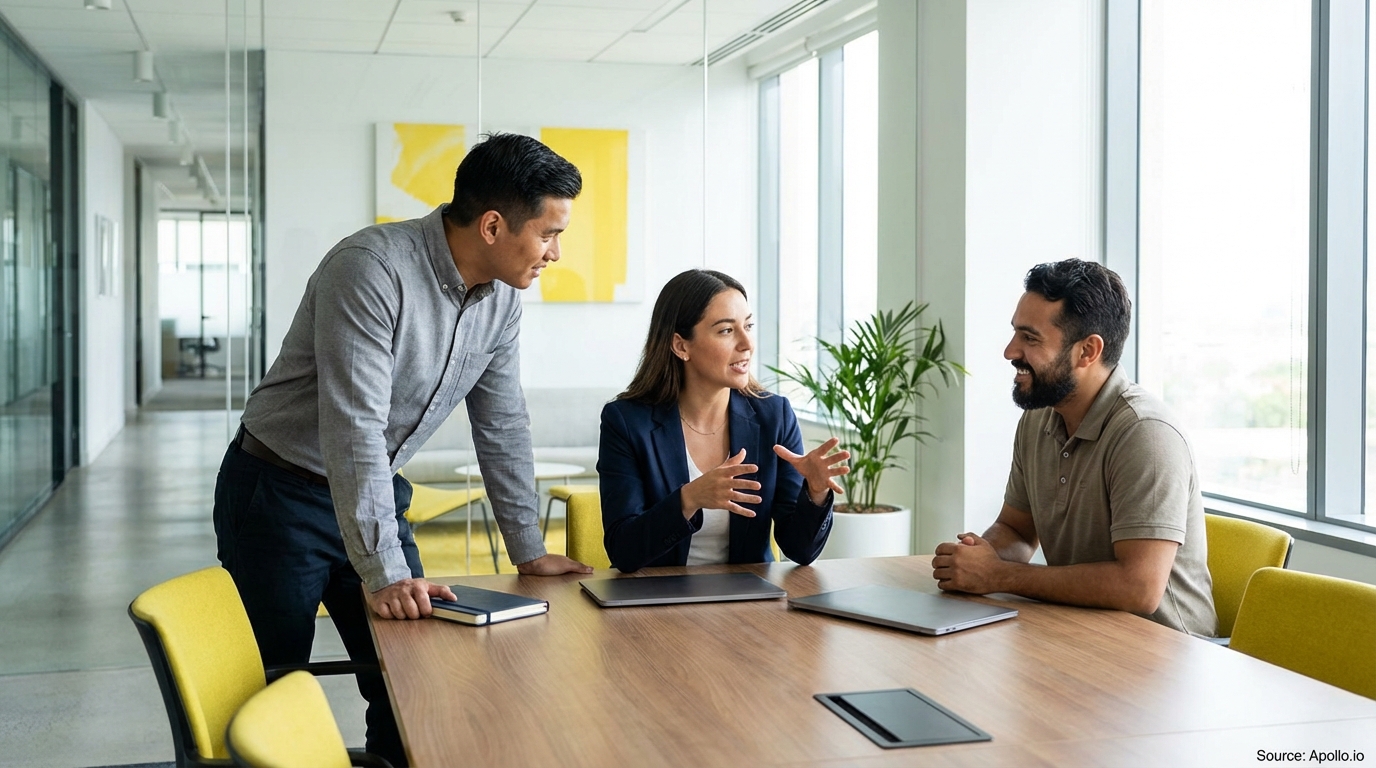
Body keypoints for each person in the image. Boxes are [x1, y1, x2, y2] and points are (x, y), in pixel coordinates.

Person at [212, 133, 593, 766]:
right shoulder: (370, 267)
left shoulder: (501, 302)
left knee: (412, 679)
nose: (555, 253)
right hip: (279, 495)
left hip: (374, 487)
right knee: (270, 687)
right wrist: (385, 572)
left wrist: (528, 549)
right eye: (550, 233)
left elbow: (501, 424)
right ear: (494, 225)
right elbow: (353, 425)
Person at [930, 259, 1216, 636]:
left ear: (1087, 351)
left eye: (1030, 338)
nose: (1010, 351)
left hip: (1165, 654)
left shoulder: (1146, 434)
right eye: (1015, 333)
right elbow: (1016, 530)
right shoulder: (1038, 419)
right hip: (1079, 630)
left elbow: (1139, 588)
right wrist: (977, 558)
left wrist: (1000, 575)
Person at [598, 269, 849, 572]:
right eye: (726, 331)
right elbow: (624, 550)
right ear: (681, 346)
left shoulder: (775, 417)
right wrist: (690, 498)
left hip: (745, 602)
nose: (747, 343)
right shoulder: (626, 422)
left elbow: (800, 551)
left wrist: (815, 491)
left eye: (748, 325)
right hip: (653, 602)